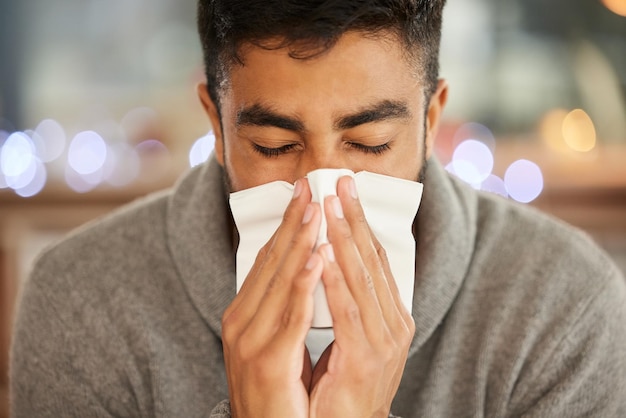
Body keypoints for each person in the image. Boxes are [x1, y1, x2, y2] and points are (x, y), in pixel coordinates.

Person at [10, 0, 626, 417]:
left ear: (431, 120)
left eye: (369, 143)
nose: (321, 187)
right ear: (217, 127)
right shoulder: (82, 298)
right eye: (274, 146)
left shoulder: (563, 305)